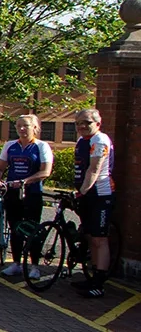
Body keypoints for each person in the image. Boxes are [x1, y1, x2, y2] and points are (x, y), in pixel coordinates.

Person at [0, 114, 53, 280]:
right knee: (15, 228)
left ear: (35, 128)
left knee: (32, 228)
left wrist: (25, 181)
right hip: (12, 193)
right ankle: (16, 263)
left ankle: (34, 266)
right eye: (18, 126)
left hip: (32, 193)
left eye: (25, 126)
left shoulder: (41, 146)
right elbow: (0, 167)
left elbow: (45, 171)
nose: (21, 129)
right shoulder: (10, 146)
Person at [71, 108, 115, 298]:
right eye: (78, 123)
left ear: (98, 123)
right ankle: (92, 275)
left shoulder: (100, 140)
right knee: (89, 236)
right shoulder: (82, 141)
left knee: (99, 238)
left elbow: (94, 169)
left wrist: (81, 192)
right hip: (86, 194)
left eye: (87, 122)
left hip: (101, 194)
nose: (82, 126)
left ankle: (99, 282)